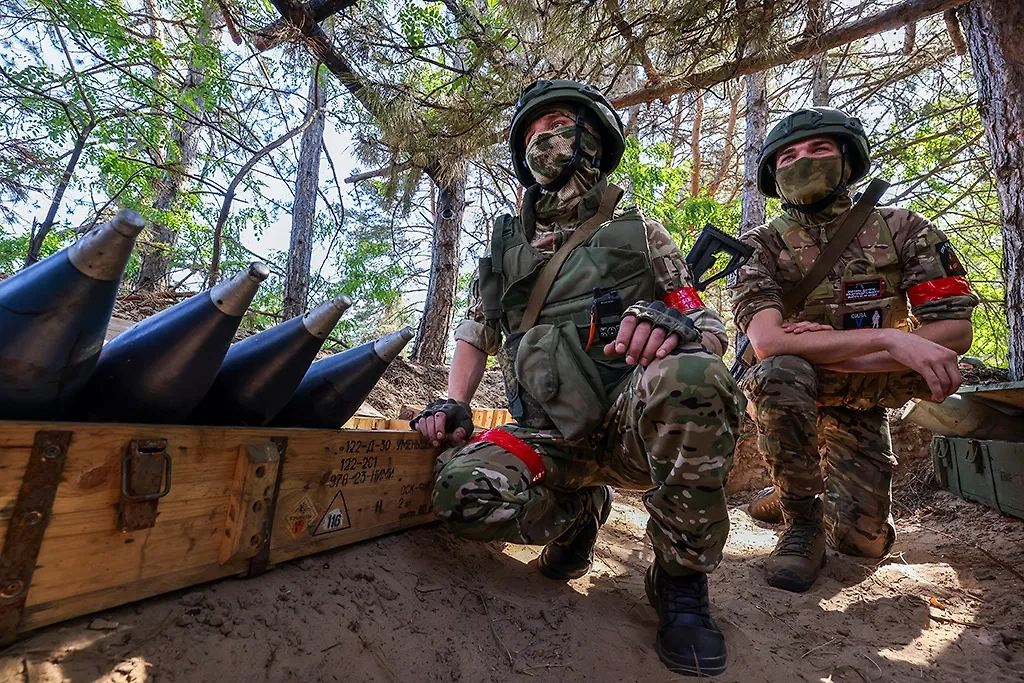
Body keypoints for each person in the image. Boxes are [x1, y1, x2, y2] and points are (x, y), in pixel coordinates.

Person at [410, 79, 744, 677]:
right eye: (533, 132)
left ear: (592, 138)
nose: (544, 139)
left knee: (694, 374)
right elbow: (475, 331)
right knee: (460, 493)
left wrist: (678, 326)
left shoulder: (639, 234)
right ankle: (580, 511)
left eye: (559, 123)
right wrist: (455, 401)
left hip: (628, 427)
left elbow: (710, 330)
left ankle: (680, 580)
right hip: (547, 436)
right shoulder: (505, 245)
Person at [730, 106, 979, 593]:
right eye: (788, 156)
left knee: (864, 543)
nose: (803, 161)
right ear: (771, 174)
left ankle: (777, 498)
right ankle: (800, 522)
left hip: (866, 403)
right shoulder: (760, 245)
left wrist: (833, 350)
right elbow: (768, 343)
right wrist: (892, 339)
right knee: (780, 371)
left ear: (848, 158)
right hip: (797, 394)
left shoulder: (904, 229)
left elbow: (952, 332)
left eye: (819, 149)